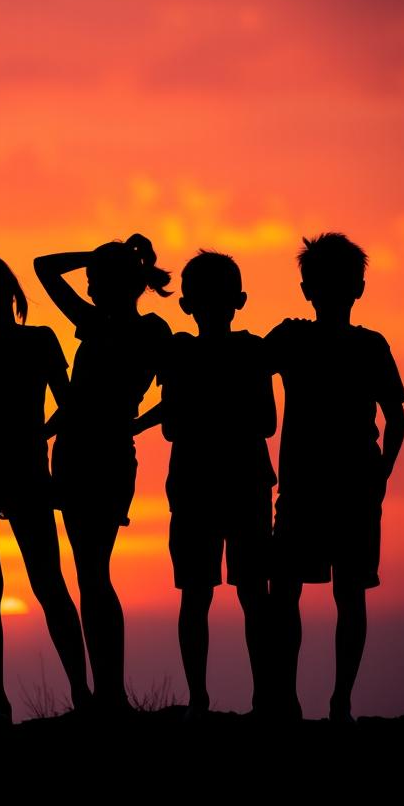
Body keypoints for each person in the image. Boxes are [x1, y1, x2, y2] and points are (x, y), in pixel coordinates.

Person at [265, 233, 404, 722]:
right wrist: (382, 474)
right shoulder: (318, 340)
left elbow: (397, 417)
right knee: (329, 592)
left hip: (328, 489)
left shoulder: (299, 339)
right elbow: (397, 420)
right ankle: (324, 701)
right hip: (330, 489)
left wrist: (381, 475)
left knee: (307, 591)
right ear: (358, 288)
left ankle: (320, 700)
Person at [34, 235, 173, 715]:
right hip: (90, 451)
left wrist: (90, 254)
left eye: (94, 281)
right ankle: (107, 693)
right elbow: (80, 401)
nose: (89, 289)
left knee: (92, 575)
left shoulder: (105, 326)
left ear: (113, 285)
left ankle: (109, 693)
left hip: (95, 454)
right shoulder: (137, 329)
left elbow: (44, 265)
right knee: (92, 573)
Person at [0, 254, 90, 722]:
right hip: (7, 470)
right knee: (42, 583)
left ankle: (3, 703)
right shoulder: (35, 341)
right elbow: (69, 406)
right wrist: (39, 436)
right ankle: (72, 696)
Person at [144, 251, 275, 719]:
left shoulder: (190, 354)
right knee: (236, 595)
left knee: (215, 596)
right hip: (227, 485)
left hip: (211, 485)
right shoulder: (246, 351)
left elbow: (177, 426)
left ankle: (222, 699)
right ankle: (240, 699)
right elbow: (262, 421)